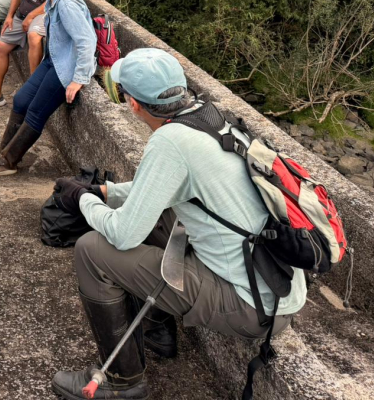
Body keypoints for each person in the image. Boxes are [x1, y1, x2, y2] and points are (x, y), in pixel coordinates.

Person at [48, 48, 306, 400]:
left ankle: (124, 382)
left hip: (250, 306)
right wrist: (104, 191)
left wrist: (82, 199)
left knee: (92, 251)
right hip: (277, 288)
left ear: (134, 105)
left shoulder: (169, 142)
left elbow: (124, 235)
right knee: (164, 214)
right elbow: (158, 192)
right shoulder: (210, 117)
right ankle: (157, 330)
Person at [0, 0, 95, 176]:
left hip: (64, 69)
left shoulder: (67, 4)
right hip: (53, 61)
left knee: (36, 112)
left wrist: (79, 78)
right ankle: (2, 153)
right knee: (21, 100)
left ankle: (8, 162)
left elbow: (86, 40)